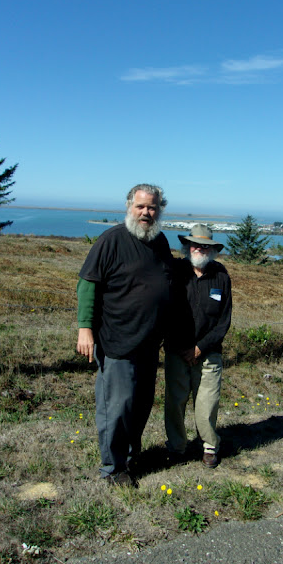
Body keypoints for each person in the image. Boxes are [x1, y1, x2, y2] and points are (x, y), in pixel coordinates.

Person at [76, 184, 172, 486]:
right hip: (117, 341)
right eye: (141, 206)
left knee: (140, 406)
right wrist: (85, 328)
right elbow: (88, 284)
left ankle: (131, 457)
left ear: (160, 209)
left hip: (148, 342)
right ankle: (113, 468)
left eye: (152, 207)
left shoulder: (160, 241)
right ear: (129, 206)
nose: (146, 213)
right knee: (115, 408)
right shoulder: (111, 240)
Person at [165, 224, 232, 468]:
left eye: (205, 245)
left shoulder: (221, 275)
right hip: (176, 351)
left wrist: (200, 348)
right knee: (175, 403)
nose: (199, 248)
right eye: (195, 244)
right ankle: (176, 447)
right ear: (187, 246)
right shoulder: (174, 271)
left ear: (212, 249)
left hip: (210, 353)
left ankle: (210, 447)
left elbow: (224, 321)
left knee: (207, 403)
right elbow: (165, 312)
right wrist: (184, 348)